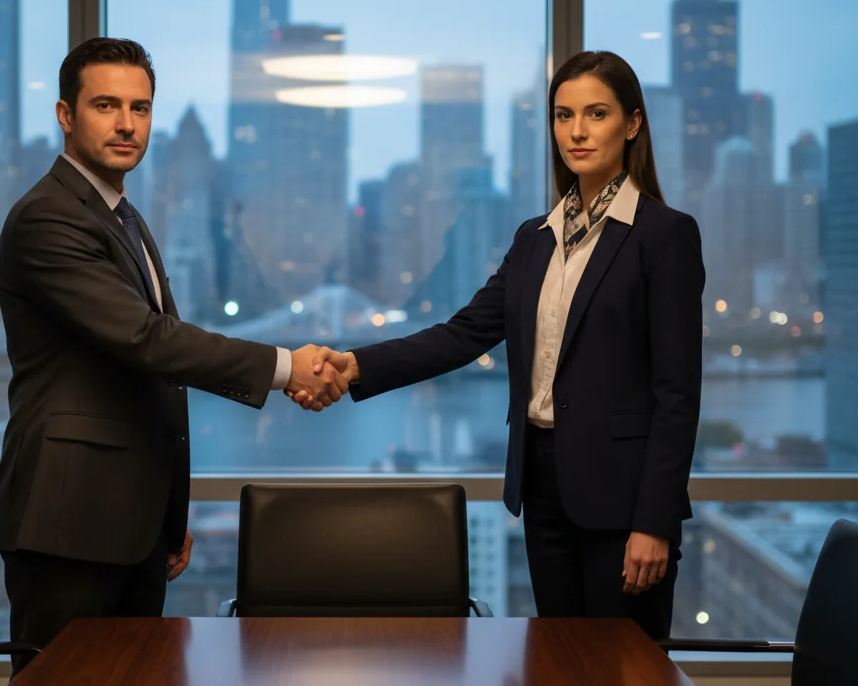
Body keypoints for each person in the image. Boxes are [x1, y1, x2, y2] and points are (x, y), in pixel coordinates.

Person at [292, 51, 704, 640]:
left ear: (632, 124)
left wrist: (655, 522)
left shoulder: (664, 237)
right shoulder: (535, 239)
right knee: (559, 673)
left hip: (622, 500)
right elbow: (462, 335)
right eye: (564, 116)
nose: (577, 132)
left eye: (596, 114)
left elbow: (677, 393)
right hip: (542, 487)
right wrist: (354, 365)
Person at [0, 37, 347, 674]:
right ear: (66, 115)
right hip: (68, 524)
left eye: (141, 107)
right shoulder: (48, 218)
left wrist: (165, 512)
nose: (127, 124)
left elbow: (150, 380)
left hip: (129, 524)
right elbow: (146, 341)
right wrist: (288, 367)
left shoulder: (121, 217)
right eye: (106, 105)